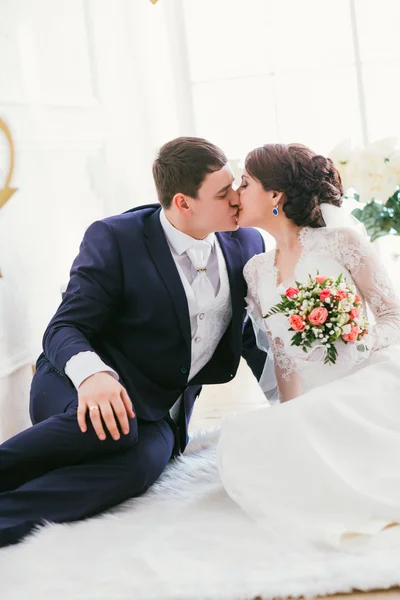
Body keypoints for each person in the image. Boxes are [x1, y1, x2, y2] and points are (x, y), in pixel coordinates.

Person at [0, 137, 267, 547]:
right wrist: (94, 376)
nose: (237, 199)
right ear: (183, 203)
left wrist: (290, 400)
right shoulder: (116, 238)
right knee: (118, 431)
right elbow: (63, 328)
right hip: (74, 382)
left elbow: (243, 330)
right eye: (222, 192)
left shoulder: (246, 242)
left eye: (234, 185)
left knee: (139, 469)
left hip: (157, 406)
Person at [217, 143, 400, 546]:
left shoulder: (340, 242)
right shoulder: (256, 269)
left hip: (365, 381)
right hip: (313, 399)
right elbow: (282, 357)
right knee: (243, 440)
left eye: (245, 183)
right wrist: (290, 413)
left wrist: (368, 355)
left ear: (275, 196)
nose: (236, 194)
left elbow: (392, 314)